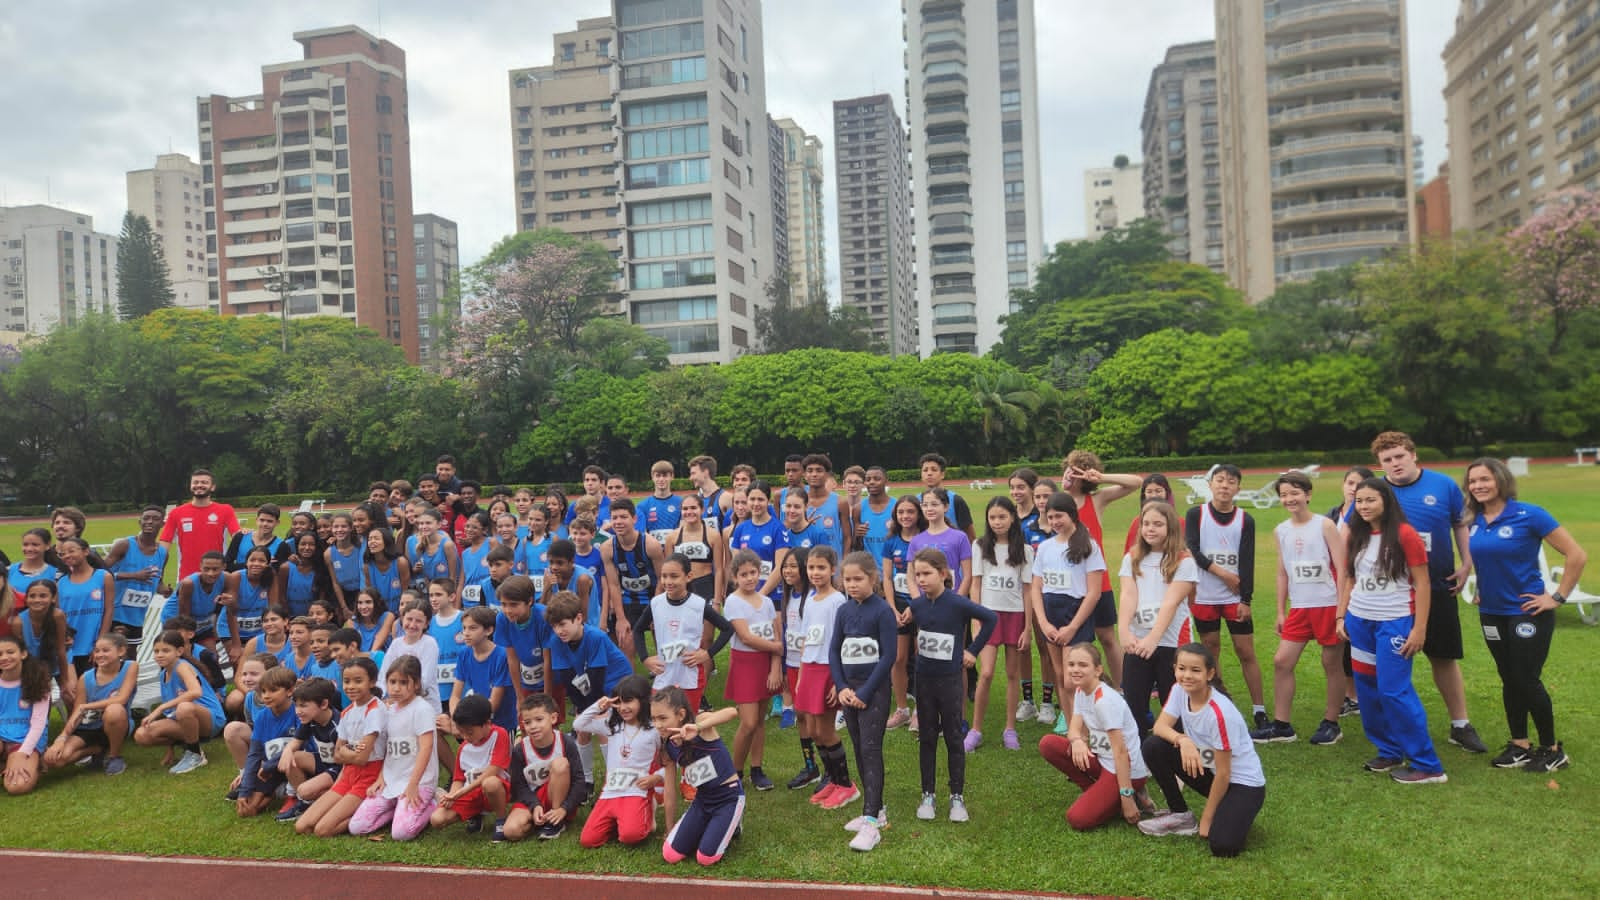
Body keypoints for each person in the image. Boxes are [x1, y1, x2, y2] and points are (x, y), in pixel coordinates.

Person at [1462, 457, 1586, 772]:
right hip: (1491, 612)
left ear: (1501, 480)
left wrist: (1557, 597)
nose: (1478, 485)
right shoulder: (1473, 519)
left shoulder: (1529, 514)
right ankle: (1519, 744)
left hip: (1527, 612)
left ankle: (1552, 749)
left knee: (1526, 678)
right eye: (1473, 481)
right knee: (1508, 677)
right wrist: (1483, 587)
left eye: (1484, 479)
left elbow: (1576, 555)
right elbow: (1487, 557)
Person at [1368, 432, 1488, 753]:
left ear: (1413, 455)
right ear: (1380, 465)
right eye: (1387, 460)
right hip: (1389, 593)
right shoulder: (1376, 492)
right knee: (1388, 662)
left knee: (1443, 657)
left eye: (1399, 457)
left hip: (1436, 585)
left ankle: (1460, 724)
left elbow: (1460, 524)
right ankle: (1391, 728)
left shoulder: (1443, 485)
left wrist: (1467, 564)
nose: (1394, 464)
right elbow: (1353, 532)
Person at [1338, 477, 1446, 784]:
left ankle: (1428, 765)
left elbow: (1423, 583)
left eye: (1370, 500)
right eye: (1359, 501)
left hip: (1395, 622)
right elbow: (1349, 579)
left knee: (1394, 690)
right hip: (1360, 621)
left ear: (1386, 501)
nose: (1364, 506)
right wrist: (1341, 616)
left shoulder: (1404, 534)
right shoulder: (1356, 536)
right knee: (1368, 690)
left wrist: (1419, 629)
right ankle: (1389, 751)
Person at [1140, 643, 1267, 856]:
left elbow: (1225, 773)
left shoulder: (1220, 713)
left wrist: (1207, 818)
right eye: (1181, 668)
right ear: (1175, 669)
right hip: (1212, 772)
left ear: (1210, 674)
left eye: (1195, 670)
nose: (1187, 675)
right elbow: (1160, 727)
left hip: (1242, 784)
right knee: (1153, 746)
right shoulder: (1179, 690)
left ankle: (1234, 812)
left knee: (1223, 846)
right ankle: (1181, 815)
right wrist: (1183, 741)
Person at [1253, 472, 1348, 747]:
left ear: (1307, 494)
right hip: (1300, 608)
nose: (1289, 499)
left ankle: (1332, 722)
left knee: (1331, 663)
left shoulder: (1325, 525)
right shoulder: (1281, 530)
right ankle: (1282, 726)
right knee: (1282, 661)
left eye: (1294, 493)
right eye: (1283, 494)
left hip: (1328, 604)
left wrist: (1341, 609)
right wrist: (1281, 611)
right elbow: (1283, 572)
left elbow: (1342, 568)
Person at [903, 549, 995, 822]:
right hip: (925, 680)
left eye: (927, 573)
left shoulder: (957, 603)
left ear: (943, 574)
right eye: (917, 574)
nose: (921, 579)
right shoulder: (917, 606)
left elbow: (991, 619)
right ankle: (927, 794)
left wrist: (973, 650)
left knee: (954, 737)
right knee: (927, 738)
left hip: (951, 681)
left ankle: (957, 796)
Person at [1184, 464, 1268, 728]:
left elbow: (1247, 561)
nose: (1224, 486)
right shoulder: (1196, 514)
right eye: (1219, 480)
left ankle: (1259, 710)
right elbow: (1193, 551)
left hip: (1234, 597)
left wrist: (1246, 599)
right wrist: (1223, 574)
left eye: (1231, 482)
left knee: (1246, 651)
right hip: (1205, 595)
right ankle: (1220, 701)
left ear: (1237, 488)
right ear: (1210, 485)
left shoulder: (1245, 520)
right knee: (1210, 650)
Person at [1040, 644, 1155, 830]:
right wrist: (1077, 741)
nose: (1075, 670)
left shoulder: (1105, 701)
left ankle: (1131, 794)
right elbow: (1074, 729)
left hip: (1124, 770)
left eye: (1083, 665)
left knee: (1077, 818)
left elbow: (1121, 751)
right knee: (1049, 744)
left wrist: (1126, 798)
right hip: (1103, 761)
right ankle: (1093, 791)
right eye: (1071, 664)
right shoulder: (1081, 690)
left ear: (1098, 670)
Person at [830, 551, 900, 851]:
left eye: (859, 579)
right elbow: (834, 651)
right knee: (858, 747)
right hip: (850, 691)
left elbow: (889, 656)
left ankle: (871, 822)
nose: (853, 584)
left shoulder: (882, 611)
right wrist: (842, 686)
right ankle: (877, 809)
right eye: (847, 579)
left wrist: (865, 692)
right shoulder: (844, 611)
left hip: (873, 691)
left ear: (872, 578)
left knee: (871, 749)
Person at [1058, 452, 1141, 689]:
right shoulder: (1059, 503)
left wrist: (1101, 477)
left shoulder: (1097, 500)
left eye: (1078, 471)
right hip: (1070, 585)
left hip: (1099, 583)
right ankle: (1082, 693)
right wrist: (1063, 488)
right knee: (1074, 644)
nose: (1072, 475)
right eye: (1070, 470)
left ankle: (1123, 689)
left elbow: (1137, 482)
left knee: (1107, 638)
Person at [1117, 502, 1197, 737]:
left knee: (1173, 703)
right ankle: (1139, 756)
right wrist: (1123, 631)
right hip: (1137, 642)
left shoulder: (1184, 561)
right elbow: (1128, 595)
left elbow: (1171, 602)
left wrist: (1154, 637)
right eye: (1146, 524)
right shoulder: (1132, 558)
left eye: (1158, 524)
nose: (1150, 529)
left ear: (1170, 527)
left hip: (1172, 643)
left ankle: (1179, 756)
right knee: (1134, 703)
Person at [1030, 492, 1107, 735]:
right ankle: (1074, 730)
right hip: (1051, 617)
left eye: (1059, 516)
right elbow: (1036, 587)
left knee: (1074, 679)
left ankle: (1086, 730)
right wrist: (1042, 623)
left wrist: (1073, 627)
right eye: (1050, 517)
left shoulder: (1088, 546)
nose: (1054, 521)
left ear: (1072, 515)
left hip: (1075, 615)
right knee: (1061, 675)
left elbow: (1093, 593)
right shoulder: (1044, 547)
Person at [543, 590, 632, 795]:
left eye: (563, 624)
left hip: (616, 685)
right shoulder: (557, 642)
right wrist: (582, 708)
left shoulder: (595, 637)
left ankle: (613, 778)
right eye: (555, 626)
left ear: (579, 618)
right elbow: (566, 677)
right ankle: (586, 781)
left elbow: (597, 676)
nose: (559, 630)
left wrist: (593, 709)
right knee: (582, 731)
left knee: (602, 729)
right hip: (589, 684)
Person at [349, 655, 440, 840]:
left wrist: (414, 784)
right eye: (392, 682)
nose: (396, 688)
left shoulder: (422, 709)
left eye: (403, 682)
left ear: (416, 684)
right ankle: (397, 809)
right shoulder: (389, 710)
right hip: (392, 780)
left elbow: (426, 748)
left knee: (401, 834)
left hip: (419, 782)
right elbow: (390, 749)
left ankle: (432, 803)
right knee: (356, 827)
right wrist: (381, 777)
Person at [970, 497, 1034, 751]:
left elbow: (1028, 591)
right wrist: (976, 620)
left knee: (1012, 674)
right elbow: (976, 585)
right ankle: (976, 730)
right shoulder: (980, 546)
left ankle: (1010, 729)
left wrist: (1028, 628)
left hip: (1015, 616)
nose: (997, 522)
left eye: (1002, 517)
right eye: (992, 517)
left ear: (1012, 518)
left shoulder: (1025, 551)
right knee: (985, 673)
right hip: (988, 616)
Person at [296, 657, 386, 836]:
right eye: (346, 681)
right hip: (347, 773)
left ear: (372, 682)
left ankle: (375, 815)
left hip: (369, 775)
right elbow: (337, 756)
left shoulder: (375, 710)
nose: (351, 686)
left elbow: (362, 759)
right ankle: (350, 808)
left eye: (358, 681)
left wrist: (345, 751)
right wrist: (349, 752)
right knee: (302, 826)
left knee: (323, 830)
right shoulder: (347, 712)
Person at [633, 554, 733, 714]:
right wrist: (645, 658)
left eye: (674, 576)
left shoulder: (698, 604)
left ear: (689, 577)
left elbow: (727, 629)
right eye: (664, 576)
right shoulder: (656, 603)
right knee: (661, 722)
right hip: (663, 674)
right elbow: (637, 630)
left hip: (690, 675)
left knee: (686, 724)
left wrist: (708, 654)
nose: (668, 581)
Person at [654, 689, 745, 865]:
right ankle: (708, 825)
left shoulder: (700, 724)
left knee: (706, 858)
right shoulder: (667, 746)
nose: (657, 725)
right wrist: (669, 826)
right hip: (702, 800)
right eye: (654, 719)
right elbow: (670, 790)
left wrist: (698, 727)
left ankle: (734, 824)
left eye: (662, 718)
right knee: (670, 854)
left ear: (681, 714)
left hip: (728, 798)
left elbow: (732, 712)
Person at [576, 675, 661, 849]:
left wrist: (656, 778)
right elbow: (579, 724)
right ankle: (621, 820)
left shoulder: (654, 730)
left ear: (643, 701)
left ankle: (646, 810)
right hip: (610, 792)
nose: (623, 708)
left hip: (637, 791)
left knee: (631, 836)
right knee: (588, 840)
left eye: (629, 701)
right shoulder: (611, 725)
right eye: (619, 702)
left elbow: (670, 762)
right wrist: (599, 706)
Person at [721, 550, 783, 792]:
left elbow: (775, 632)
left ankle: (757, 769)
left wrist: (776, 667)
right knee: (748, 721)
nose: (749, 578)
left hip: (766, 663)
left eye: (753, 573)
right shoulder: (734, 601)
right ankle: (734, 772)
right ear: (735, 577)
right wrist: (777, 647)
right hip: (746, 663)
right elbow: (746, 637)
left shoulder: (766, 601)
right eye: (743, 574)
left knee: (759, 721)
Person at [134, 629, 226, 774]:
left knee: (184, 707)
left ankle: (195, 755)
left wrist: (159, 708)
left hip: (209, 718)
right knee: (142, 735)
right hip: (183, 718)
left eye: (165, 650)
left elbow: (196, 692)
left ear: (179, 651)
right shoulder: (164, 673)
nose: (159, 655)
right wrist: (169, 749)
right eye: (156, 651)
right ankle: (189, 745)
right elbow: (171, 712)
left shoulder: (182, 666)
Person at [45, 633, 136, 776]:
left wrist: (87, 706)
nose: (100, 654)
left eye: (105, 650)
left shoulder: (130, 667)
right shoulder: (86, 678)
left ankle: (114, 756)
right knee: (56, 760)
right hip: (87, 727)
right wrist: (61, 738)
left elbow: (122, 699)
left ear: (121, 651)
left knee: (115, 710)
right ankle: (97, 750)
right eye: (97, 650)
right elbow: (77, 711)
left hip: (116, 723)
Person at [502, 692, 586, 842]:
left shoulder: (566, 742)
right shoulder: (520, 750)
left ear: (553, 718)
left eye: (539, 720)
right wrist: (534, 805)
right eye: (527, 722)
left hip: (559, 797)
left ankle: (556, 820)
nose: (533, 726)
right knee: (511, 831)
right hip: (534, 797)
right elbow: (518, 786)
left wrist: (564, 808)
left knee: (560, 765)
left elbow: (579, 781)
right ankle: (540, 821)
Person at [429, 694, 512, 839]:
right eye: (461, 732)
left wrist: (459, 794)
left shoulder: (499, 734)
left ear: (486, 723)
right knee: (437, 820)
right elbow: (458, 779)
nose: (465, 737)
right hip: (470, 794)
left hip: (494, 789)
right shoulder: (464, 748)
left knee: (490, 783)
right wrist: (451, 796)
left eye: (470, 732)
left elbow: (492, 771)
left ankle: (500, 819)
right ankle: (474, 815)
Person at [230, 665, 300, 817]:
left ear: (290, 691)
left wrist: (269, 765)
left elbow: (303, 746)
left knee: (293, 758)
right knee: (249, 810)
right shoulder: (262, 716)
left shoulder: (298, 712)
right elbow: (254, 754)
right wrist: (245, 791)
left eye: (273, 690)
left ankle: (294, 796)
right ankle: (274, 791)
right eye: (263, 691)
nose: (266, 696)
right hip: (269, 771)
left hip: (293, 767)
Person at [880, 496, 924, 730]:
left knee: (921, 658)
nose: (905, 516)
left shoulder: (925, 540)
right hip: (897, 607)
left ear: (919, 514)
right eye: (901, 512)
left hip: (921, 606)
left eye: (910, 512)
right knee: (898, 658)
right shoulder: (891, 542)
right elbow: (886, 577)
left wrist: (914, 607)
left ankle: (920, 710)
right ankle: (901, 710)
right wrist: (892, 607)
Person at [273, 677, 343, 822]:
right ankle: (305, 802)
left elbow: (345, 764)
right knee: (294, 756)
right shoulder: (310, 720)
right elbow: (295, 743)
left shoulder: (338, 726)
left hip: (340, 770)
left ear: (324, 704)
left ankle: (323, 800)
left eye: (303, 706)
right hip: (325, 763)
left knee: (304, 790)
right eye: (296, 706)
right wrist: (287, 752)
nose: (298, 711)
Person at [103, 505, 170, 654]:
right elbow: (99, 573)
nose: (150, 522)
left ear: (162, 524)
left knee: (131, 657)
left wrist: (164, 590)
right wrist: (134, 575)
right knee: (110, 653)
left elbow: (158, 582)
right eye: (146, 518)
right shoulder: (124, 545)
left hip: (137, 616)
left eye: (155, 519)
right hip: (114, 612)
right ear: (140, 522)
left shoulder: (163, 553)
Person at [603, 498, 663, 657]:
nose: (618, 522)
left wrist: (654, 612)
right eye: (614, 518)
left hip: (653, 599)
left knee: (663, 648)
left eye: (623, 517)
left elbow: (662, 579)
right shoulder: (607, 548)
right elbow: (614, 585)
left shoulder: (651, 544)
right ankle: (630, 681)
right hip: (628, 600)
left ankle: (666, 680)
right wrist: (620, 618)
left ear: (634, 519)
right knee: (626, 644)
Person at [159, 468, 241, 580]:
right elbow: (163, 546)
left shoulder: (226, 510)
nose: (199, 485)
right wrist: (158, 577)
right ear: (190, 485)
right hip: (186, 577)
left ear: (213, 487)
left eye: (204, 482)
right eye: (195, 482)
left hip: (217, 575)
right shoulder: (176, 513)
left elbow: (237, 538)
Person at [447, 606, 515, 736]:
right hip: (476, 720)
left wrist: (465, 722)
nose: (466, 633)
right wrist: (456, 719)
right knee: (440, 722)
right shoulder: (464, 654)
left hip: (503, 724)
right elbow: (455, 695)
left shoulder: (502, 656)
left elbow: (493, 704)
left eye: (472, 628)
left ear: (488, 630)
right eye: (464, 628)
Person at [10, 579, 76, 707]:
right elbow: (22, 655)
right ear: (26, 599)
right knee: (42, 697)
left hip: (58, 658)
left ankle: (76, 726)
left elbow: (61, 650)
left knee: (71, 694)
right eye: (32, 596)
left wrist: (65, 681)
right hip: (34, 663)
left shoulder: (58, 616)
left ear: (53, 598)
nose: (37, 600)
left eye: (43, 596)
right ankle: (42, 724)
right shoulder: (18, 622)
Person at [0, 634, 51, 795]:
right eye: (0, 654)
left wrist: (23, 753)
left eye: (10, 652)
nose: (4, 657)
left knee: (17, 786)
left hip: (25, 740)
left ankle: (34, 759)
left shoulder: (38, 680)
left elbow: (38, 724)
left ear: (23, 654)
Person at [56, 537, 114, 674]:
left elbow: (109, 610)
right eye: (62, 553)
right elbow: (59, 616)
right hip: (70, 647)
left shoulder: (103, 576)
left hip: (92, 645)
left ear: (86, 551)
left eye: (71, 551)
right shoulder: (61, 582)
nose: (67, 555)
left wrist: (100, 643)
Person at [493, 576, 554, 705]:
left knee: (550, 718)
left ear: (530, 601)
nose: (508, 610)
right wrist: (519, 695)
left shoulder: (543, 616)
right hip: (526, 679)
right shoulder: (502, 619)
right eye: (503, 604)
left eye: (514, 604)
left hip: (552, 677)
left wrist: (548, 696)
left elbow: (548, 659)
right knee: (527, 716)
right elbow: (512, 658)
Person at [664, 494, 725, 607]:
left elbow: (719, 569)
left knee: (706, 623)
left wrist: (716, 600)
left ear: (702, 510)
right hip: (681, 587)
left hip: (705, 586)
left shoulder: (713, 535)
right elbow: (667, 572)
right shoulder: (672, 537)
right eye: (685, 509)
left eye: (693, 508)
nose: (689, 512)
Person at [909, 489, 972, 597]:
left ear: (946, 507)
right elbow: (910, 577)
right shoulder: (916, 541)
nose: (929, 509)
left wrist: (957, 602)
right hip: (926, 602)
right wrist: (918, 601)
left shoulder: (960, 537)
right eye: (925, 505)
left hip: (952, 599)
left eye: (934, 504)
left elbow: (968, 575)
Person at [220, 546, 275, 666]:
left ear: (268, 563)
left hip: (258, 631)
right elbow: (231, 611)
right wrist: (236, 644)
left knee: (262, 665)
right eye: (252, 560)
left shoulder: (271, 577)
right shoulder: (236, 577)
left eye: (261, 561)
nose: (256, 564)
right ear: (246, 562)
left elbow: (274, 609)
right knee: (240, 664)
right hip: (232, 629)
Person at [801, 453, 853, 555]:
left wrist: (844, 563)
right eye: (810, 471)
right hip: (805, 562)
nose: (814, 474)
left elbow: (847, 538)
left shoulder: (840, 502)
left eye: (819, 470)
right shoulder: (799, 502)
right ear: (804, 475)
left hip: (833, 564)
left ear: (827, 474)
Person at [175, 551, 228, 651]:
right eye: (206, 569)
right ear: (200, 566)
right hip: (179, 624)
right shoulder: (189, 584)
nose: (210, 573)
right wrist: (185, 642)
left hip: (203, 624)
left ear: (223, 567)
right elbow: (183, 617)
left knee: (211, 658)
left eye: (215, 569)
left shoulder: (226, 578)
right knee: (182, 657)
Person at [915, 453, 975, 539]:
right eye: (925, 470)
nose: (929, 473)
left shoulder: (956, 500)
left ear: (942, 474)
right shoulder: (916, 501)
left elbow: (970, 535)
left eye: (934, 470)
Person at [277, 532, 327, 618]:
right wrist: (288, 618)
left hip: (313, 618)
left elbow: (321, 598)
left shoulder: (320, 568)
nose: (307, 548)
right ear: (297, 546)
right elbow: (281, 596)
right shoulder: (286, 568)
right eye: (303, 544)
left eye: (311, 544)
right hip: (291, 617)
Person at [324, 513, 364, 619]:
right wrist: (344, 607)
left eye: (344, 526)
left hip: (362, 592)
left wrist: (360, 602)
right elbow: (335, 582)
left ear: (351, 528)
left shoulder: (360, 547)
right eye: (336, 527)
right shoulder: (329, 553)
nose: (339, 530)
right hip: (343, 596)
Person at [224, 504, 284, 573]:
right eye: (262, 520)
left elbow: (278, 572)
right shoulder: (240, 537)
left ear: (277, 522)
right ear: (256, 520)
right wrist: (257, 565)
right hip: (239, 582)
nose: (265, 524)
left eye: (269, 521)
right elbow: (226, 565)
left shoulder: (281, 545)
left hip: (264, 583)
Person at [637, 460, 684, 544]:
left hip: (675, 551)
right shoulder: (642, 506)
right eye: (658, 476)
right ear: (652, 477)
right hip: (653, 551)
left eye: (665, 476)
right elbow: (641, 533)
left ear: (672, 476)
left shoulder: (681, 502)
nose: (661, 479)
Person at [856, 466, 895, 564]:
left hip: (894, 568)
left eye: (877, 479)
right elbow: (856, 544)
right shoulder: (858, 508)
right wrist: (858, 535)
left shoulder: (896, 506)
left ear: (886, 481)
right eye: (868, 479)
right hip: (870, 569)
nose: (871, 482)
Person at [689, 455, 734, 530]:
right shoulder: (697, 499)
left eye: (693, 473)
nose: (690, 478)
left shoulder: (726, 498)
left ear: (705, 472)